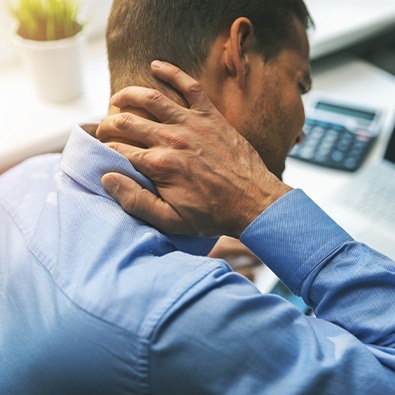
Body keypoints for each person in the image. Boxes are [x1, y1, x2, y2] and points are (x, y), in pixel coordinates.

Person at [0, 1, 394, 395]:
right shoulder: (179, 312)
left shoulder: (21, 180)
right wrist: (259, 201)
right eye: (299, 84)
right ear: (238, 52)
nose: (302, 133)